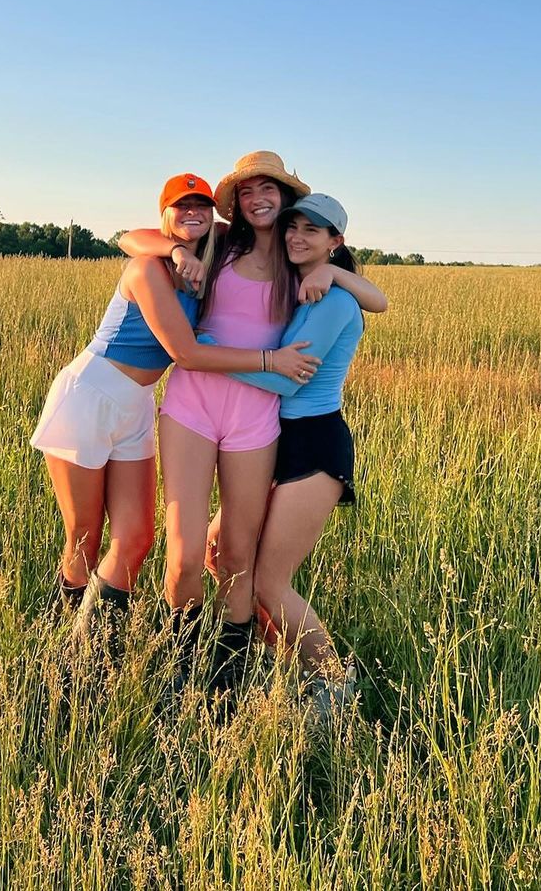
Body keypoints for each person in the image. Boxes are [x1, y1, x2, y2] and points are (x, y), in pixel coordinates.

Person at [118, 152, 385, 697]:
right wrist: (176, 250)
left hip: (259, 419)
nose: (258, 199)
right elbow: (133, 238)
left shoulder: (299, 264)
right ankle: (180, 669)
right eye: (246, 191)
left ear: (285, 200)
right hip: (193, 406)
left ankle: (228, 680)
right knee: (187, 552)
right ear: (236, 203)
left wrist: (332, 270)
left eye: (269, 189)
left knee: (239, 557)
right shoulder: (219, 243)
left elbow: (374, 301)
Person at [28, 171, 320, 646]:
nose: (192, 213)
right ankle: (68, 645)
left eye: (201, 205)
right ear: (164, 215)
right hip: (90, 397)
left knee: (137, 538)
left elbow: (289, 246)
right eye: (181, 206)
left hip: (137, 406)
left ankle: (103, 646)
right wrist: (177, 251)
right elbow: (181, 345)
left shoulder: (218, 247)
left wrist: (329, 272)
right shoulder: (148, 267)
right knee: (84, 533)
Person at [208, 193, 386, 714]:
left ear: (335, 241)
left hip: (314, 444)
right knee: (218, 550)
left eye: (313, 230)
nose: (297, 236)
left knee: (269, 580)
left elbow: (287, 380)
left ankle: (335, 686)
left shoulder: (335, 301)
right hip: (277, 437)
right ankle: (275, 658)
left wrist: (204, 353)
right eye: (293, 226)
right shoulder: (304, 287)